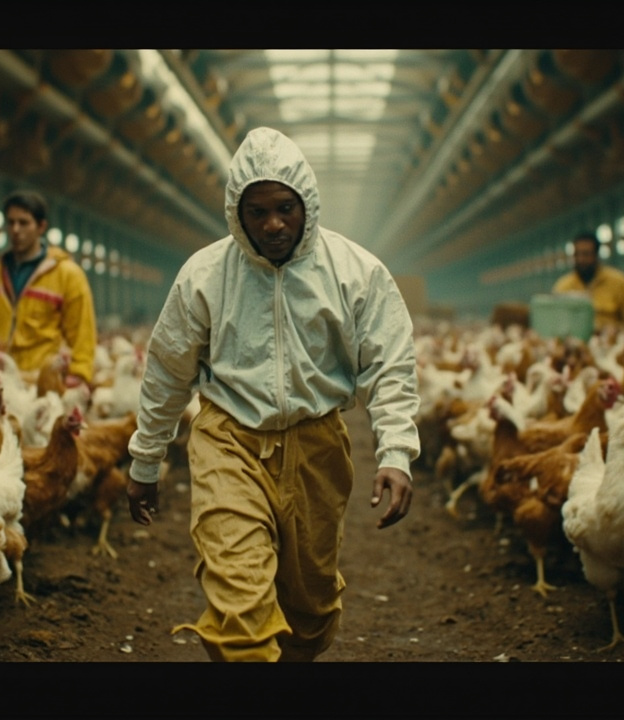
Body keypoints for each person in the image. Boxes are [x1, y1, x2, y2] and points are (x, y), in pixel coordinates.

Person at [125, 127, 420, 662]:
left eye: (285, 207)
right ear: (236, 214)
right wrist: (146, 461)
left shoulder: (355, 271)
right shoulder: (205, 274)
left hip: (317, 447)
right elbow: (168, 371)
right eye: (256, 212)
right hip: (227, 441)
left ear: (307, 202)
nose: (273, 224)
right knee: (238, 596)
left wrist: (396, 450)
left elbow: (390, 363)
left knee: (309, 609)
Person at [0, 190, 97, 385]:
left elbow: (82, 331)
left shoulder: (67, 275)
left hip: (38, 382)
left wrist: (79, 373)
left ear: (41, 227)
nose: (15, 229)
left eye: (24, 222)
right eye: (10, 222)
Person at [552, 231, 624, 328]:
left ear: (596, 255)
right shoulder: (563, 286)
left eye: (585, 254)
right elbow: (555, 323)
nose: (580, 259)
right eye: (577, 254)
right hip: (571, 340)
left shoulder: (619, 282)